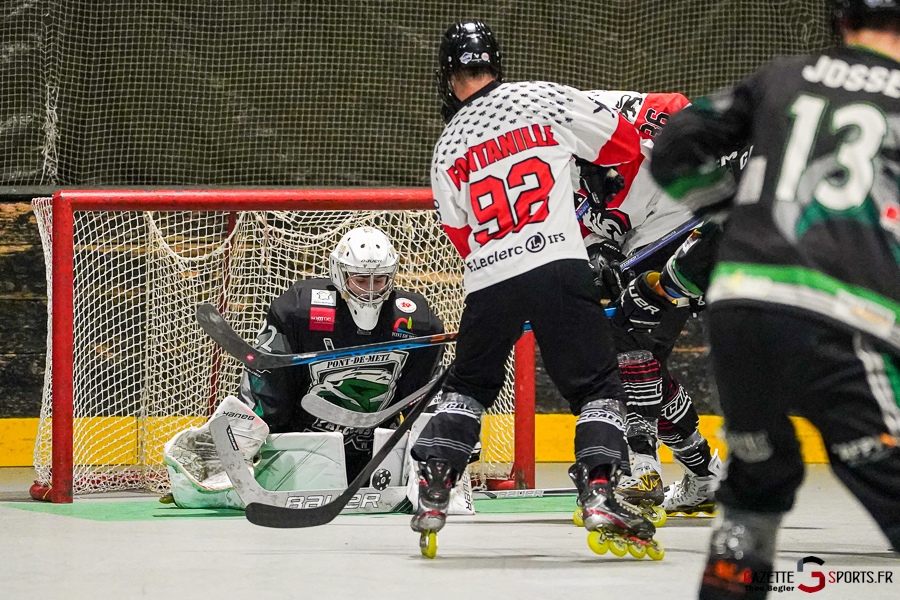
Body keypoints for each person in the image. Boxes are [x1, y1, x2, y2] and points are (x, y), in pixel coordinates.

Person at [650, 1, 900, 596]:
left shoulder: (782, 76)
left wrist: (728, 211)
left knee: (756, 486)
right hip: (844, 313)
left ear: (842, 22)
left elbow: (673, 147)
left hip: (742, 307)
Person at [409, 20, 663, 560]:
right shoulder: (541, 97)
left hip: (488, 279)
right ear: (495, 64)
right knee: (596, 387)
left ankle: (434, 486)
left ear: (449, 77)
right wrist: (590, 179)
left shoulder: (447, 145)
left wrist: (506, 270)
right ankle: (599, 491)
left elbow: (460, 234)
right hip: (558, 265)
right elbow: (623, 144)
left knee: (470, 385)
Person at [163, 226, 446, 508]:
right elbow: (268, 383)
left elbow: (421, 395)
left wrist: (438, 445)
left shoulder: (418, 321)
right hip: (299, 445)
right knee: (264, 389)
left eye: (379, 280)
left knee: (436, 420)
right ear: (340, 273)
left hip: (375, 452)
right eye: (361, 279)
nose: (371, 290)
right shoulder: (300, 308)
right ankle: (220, 459)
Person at [573, 90, 725, 519]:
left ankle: (640, 464)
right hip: (639, 244)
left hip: (687, 231)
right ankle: (702, 473)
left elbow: (685, 117)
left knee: (629, 341)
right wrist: (597, 253)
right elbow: (579, 229)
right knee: (635, 354)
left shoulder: (629, 116)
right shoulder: (543, 169)